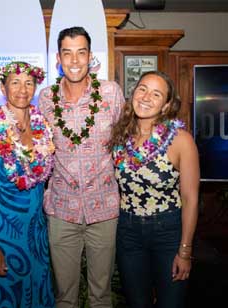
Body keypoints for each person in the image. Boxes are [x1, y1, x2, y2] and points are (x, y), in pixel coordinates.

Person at [38, 27, 125, 307]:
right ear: (58, 59)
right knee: (65, 296)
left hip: (104, 207)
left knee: (101, 295)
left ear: (90, 56)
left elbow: (125, 141)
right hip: (62, 208)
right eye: (67, 53)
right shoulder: (45, 99)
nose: (74, 60)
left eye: (81, 52)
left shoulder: (110, 93)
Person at [108, 70, 199, 308]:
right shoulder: (120, 137)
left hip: (168, 232)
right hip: (127, 232)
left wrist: (185, 251)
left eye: (156, 94)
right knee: (137, 303)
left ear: (166, 105)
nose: (146, 97)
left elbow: (190, 199)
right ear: (133, 93)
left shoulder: (181, 140)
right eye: (142, 89)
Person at [0, 61, 55, 307]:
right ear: (3, 87)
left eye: (29, 83)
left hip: (37, 237)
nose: (22, 89)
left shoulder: (43, 129)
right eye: (15, 83)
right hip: (2, 237)